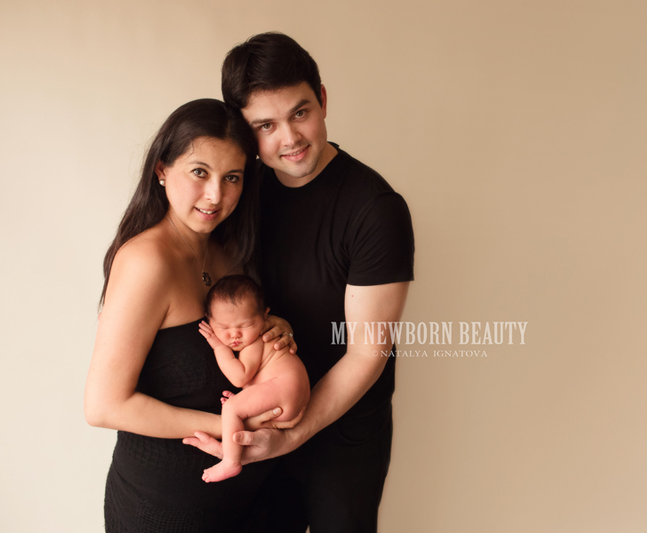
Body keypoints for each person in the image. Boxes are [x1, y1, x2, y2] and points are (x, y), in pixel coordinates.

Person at [183, 33, 415, 532]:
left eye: (300, 113)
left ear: (323, 100)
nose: (289, 138)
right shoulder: (239, 191)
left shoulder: (376, 210)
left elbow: (369, 352)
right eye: (265, 125)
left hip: (344, 436)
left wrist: (290, 437)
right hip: (256, 416)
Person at [84, 98, 299, 532]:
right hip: (164, 512)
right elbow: (104, 406)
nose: (216, 195)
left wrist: (275, 330)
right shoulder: (147, 262)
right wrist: (228, 425)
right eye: (199, 172)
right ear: (162, 169)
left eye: (232, 177)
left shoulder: (231, 256)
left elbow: (235, 356)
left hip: (251, 503)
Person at [198, 275, 310, 482]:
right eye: (223, 328)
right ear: (209, 320)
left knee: (230, 409)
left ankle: (231, 462)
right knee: (235, 408)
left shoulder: (256, 341)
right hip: (289, 391)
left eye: (246, 326)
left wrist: (218, 346)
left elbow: (239, 378)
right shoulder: (253, 338)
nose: (234, 335)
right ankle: (229, 446)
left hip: (284, 386)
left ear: (265, 316)